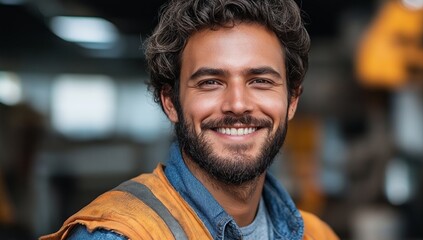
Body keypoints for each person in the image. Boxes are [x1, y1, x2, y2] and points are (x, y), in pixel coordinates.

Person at [41, 0, 338, 239]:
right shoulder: (122, 234)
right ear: (170, 102)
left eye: (260, 81)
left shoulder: (317, 234)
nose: (237, 104)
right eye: (210, 82)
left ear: (292, 100)